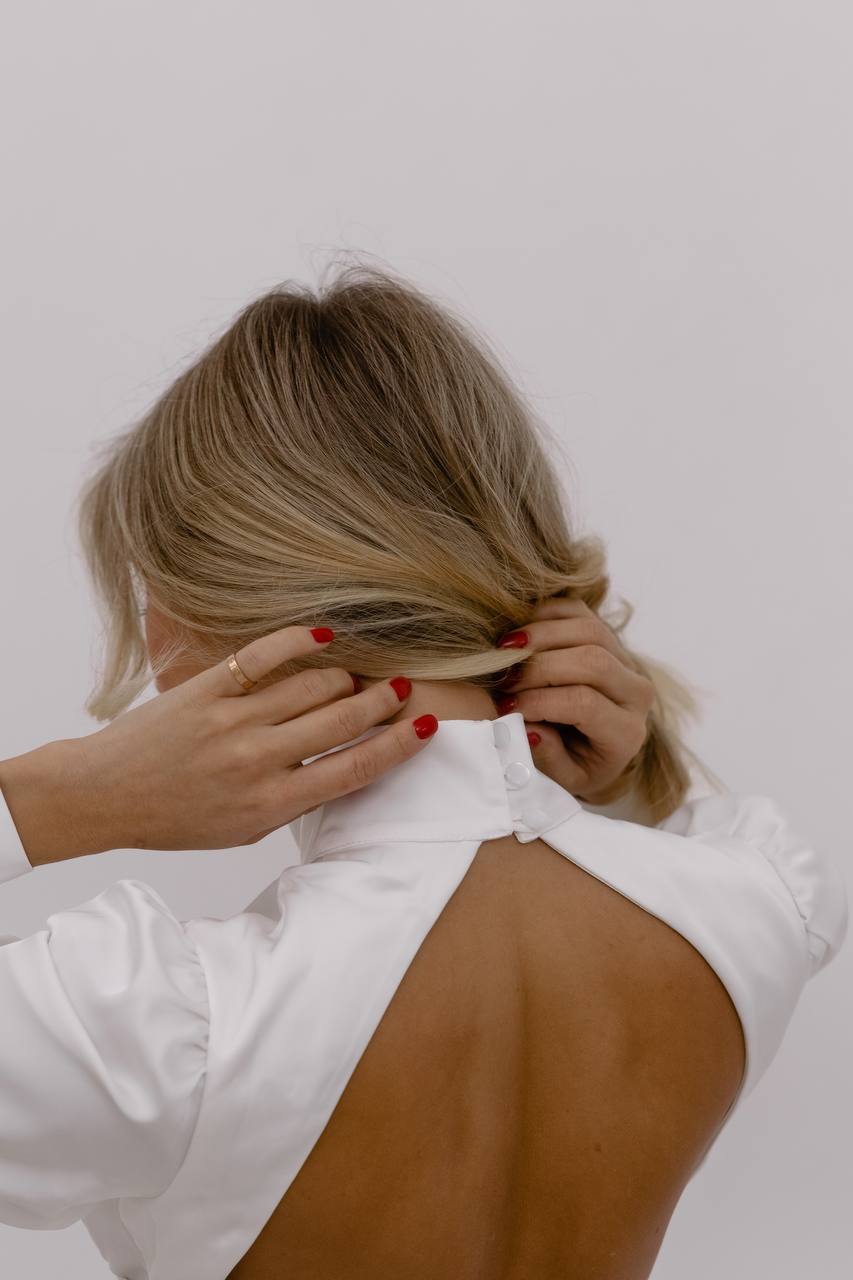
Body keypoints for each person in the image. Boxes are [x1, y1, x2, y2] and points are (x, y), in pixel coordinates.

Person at [0, 263, 846, 1280]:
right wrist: (612, 781)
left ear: (212, 615)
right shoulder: (755, 907)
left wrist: (51, 798)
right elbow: (671, 852)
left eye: (150, 590)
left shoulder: (151, 1024)